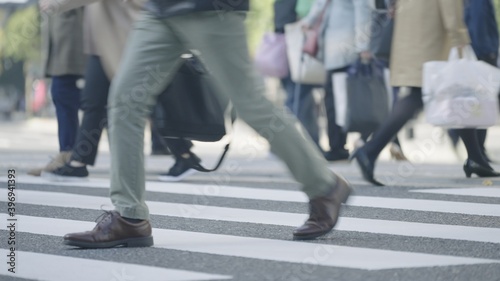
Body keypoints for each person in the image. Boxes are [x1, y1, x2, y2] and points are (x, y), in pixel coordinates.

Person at [40, 0, 352, 248]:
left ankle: (325, 186)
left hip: (210, 7)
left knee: (249, 102)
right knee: (125, 99)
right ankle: (129, 217)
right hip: (159, 10)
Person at [351, 0, 500, 186]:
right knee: (418, 96)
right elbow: (450, 7)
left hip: (414, 33)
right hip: (431, 37)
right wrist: (460, 38)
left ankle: (476, 159)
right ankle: (370, 150)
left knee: (457, 95)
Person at [302, 0, 373, 161]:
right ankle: (338, 146)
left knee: (339, 100)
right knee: (335, 100)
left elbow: (362, 11)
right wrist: (308, 21)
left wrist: (363, 45)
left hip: (346, 49)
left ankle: (341, 146)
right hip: (335, 50)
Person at [28, 8, 85, 176]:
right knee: (63, 94)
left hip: (76, 40)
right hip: (64, 40)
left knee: (67, 94)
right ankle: (69, 156)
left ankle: (70, 157)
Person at [448, 0, 500, 162]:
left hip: (476, 52)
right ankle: (477, 152)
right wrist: (488, 52)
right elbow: (479, 20)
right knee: (482, 105)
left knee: (478, 105)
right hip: (482, 54)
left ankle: (477, 152)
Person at [274, 0, 321, 148]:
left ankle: (314, 143)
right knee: (298, 97)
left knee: (300, 98)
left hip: (284, 41)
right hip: (295, 44)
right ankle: (278, 140)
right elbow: (304, 11)